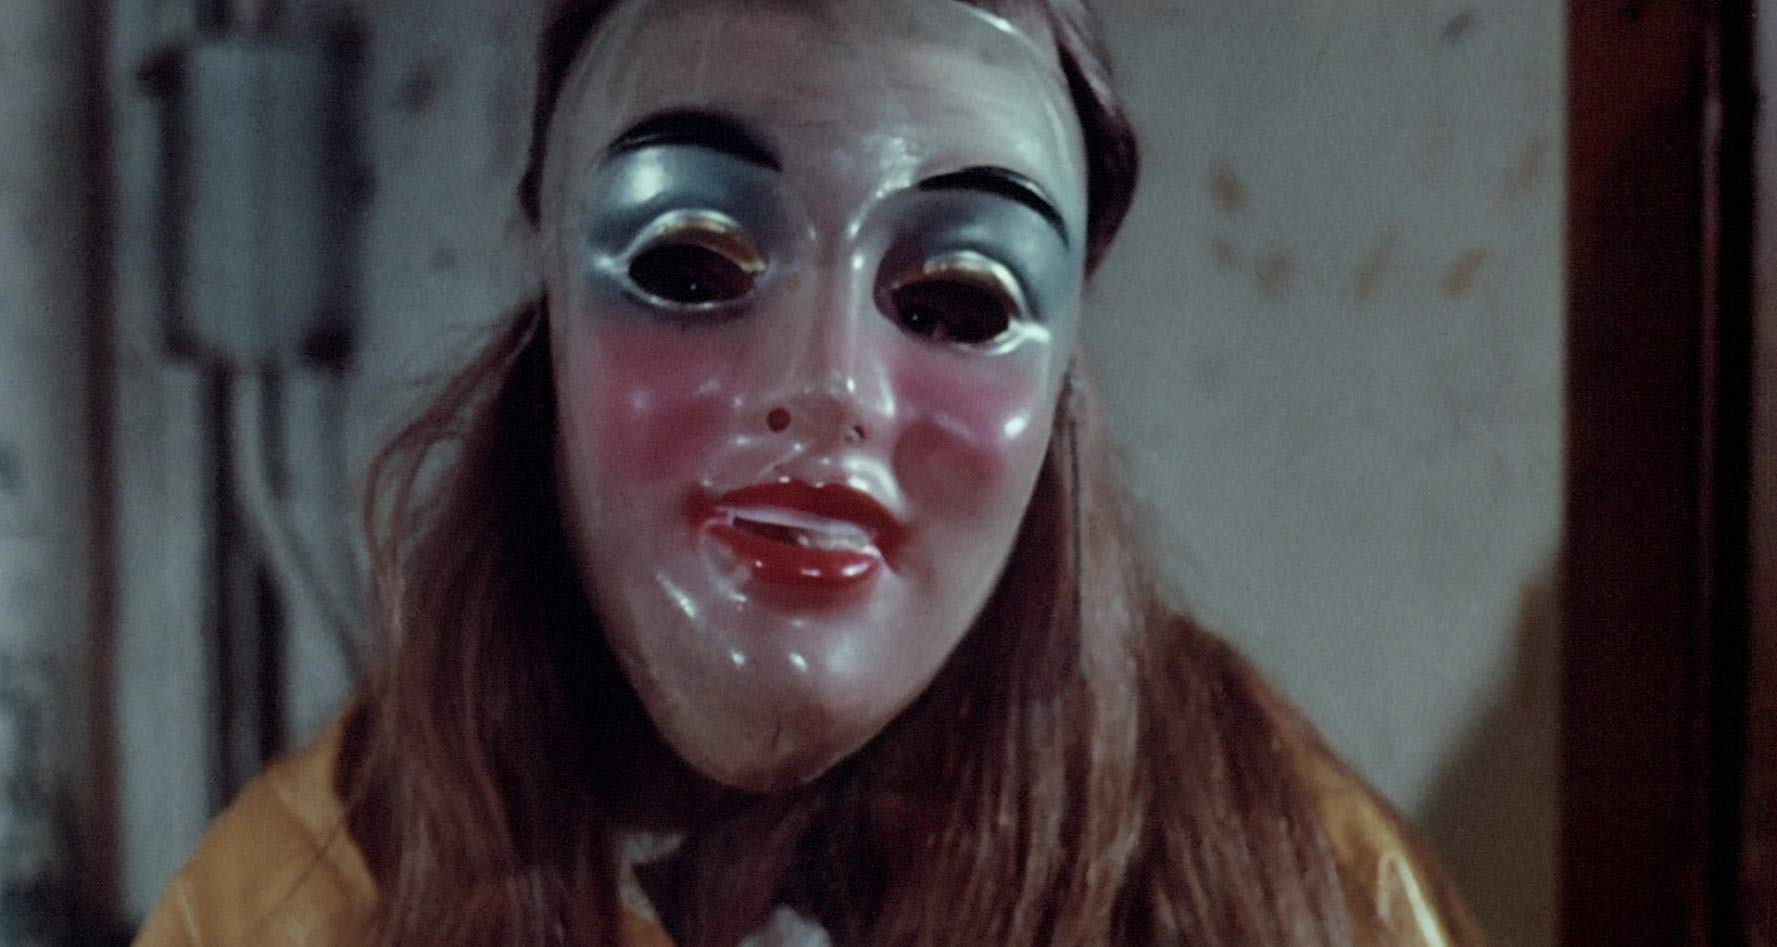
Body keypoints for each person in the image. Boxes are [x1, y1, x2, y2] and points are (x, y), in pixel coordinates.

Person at [137, 0, 1486, 943]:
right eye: (687, 264)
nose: (829, 388)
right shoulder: (291, 907)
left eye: (956, 298)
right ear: (551, 286)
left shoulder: (1296, 889)